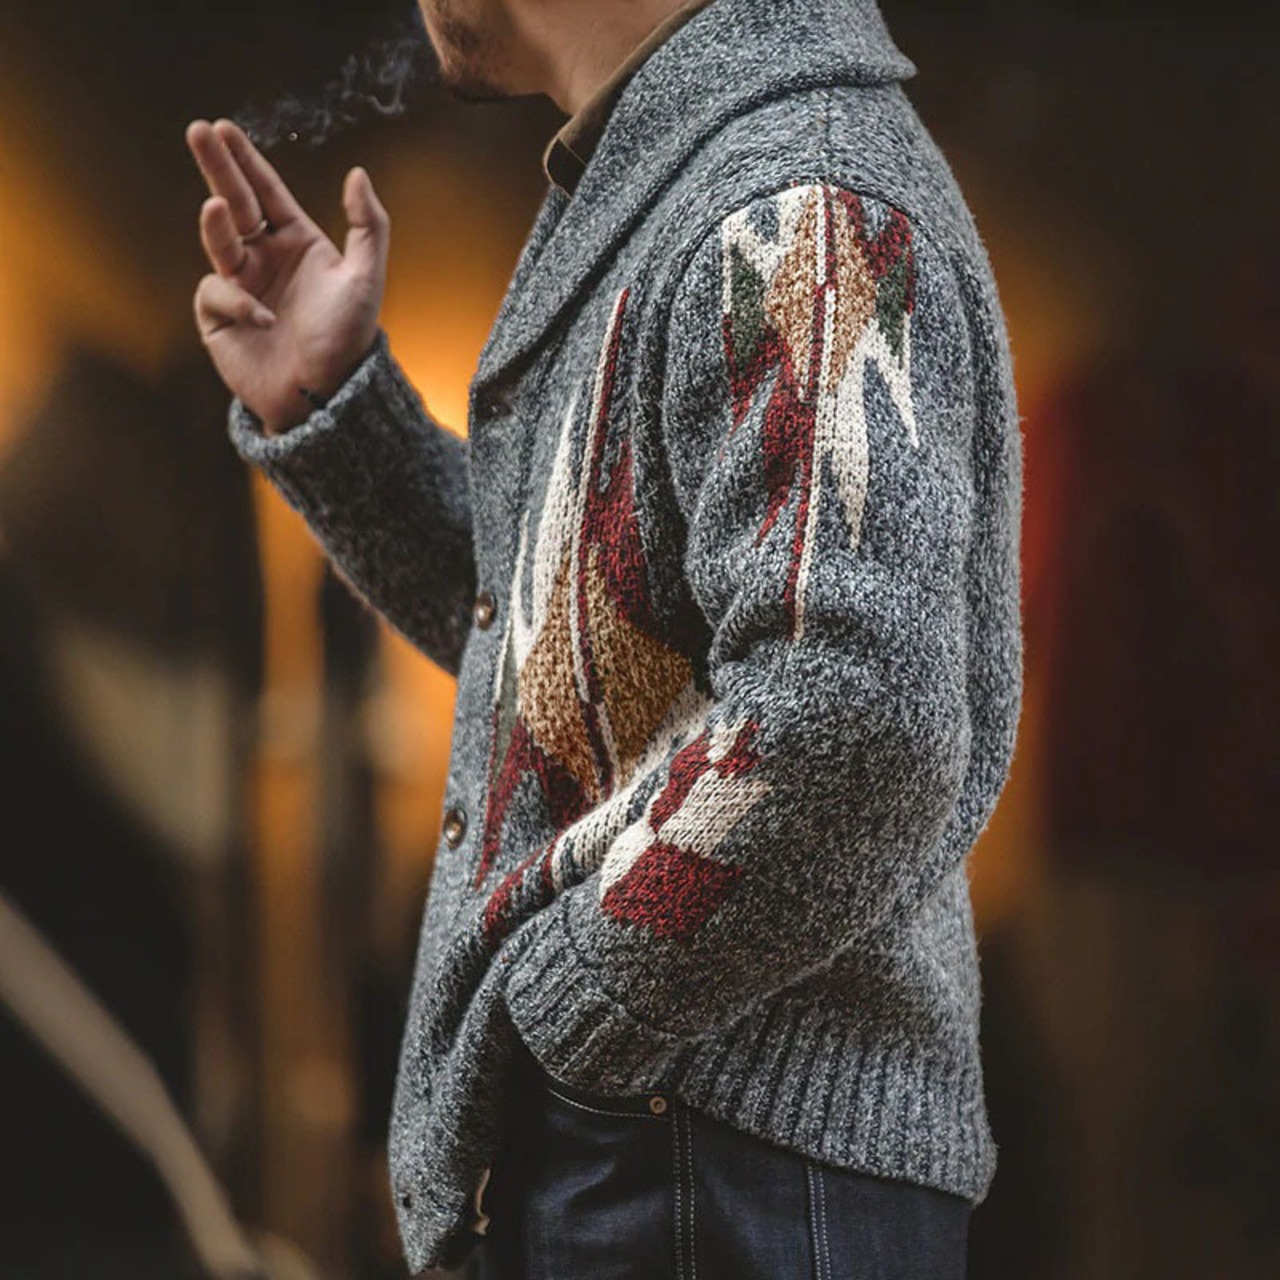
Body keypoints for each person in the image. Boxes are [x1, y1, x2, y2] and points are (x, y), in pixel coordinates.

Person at [185, 0, 1023, 1275]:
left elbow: (857, 722)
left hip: (695, 1166)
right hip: (681, 1148)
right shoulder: (703, 176)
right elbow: (588, 669)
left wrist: (558, 1006)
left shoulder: (793, 198)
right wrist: (335, 405)